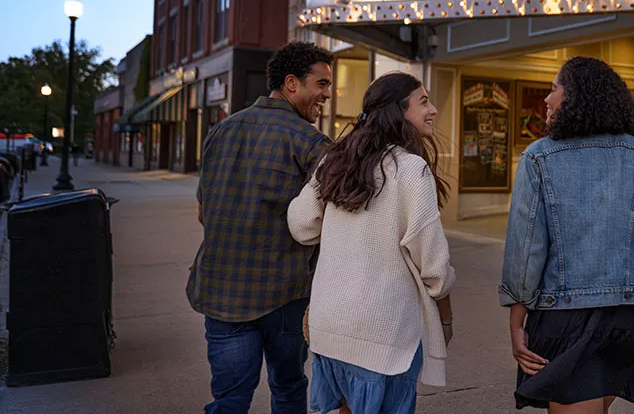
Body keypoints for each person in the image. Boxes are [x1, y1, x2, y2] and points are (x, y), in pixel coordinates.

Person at [499, 57, 634, 414]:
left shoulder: (538, 158)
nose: (546, 99)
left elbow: (526, 250)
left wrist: (516, 322)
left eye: (554, 89)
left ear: (576, 97)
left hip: (566, 319)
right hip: (628, 321)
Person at [288, 72, 455, 414]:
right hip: (382, 336)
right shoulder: (411, 169)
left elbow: (302, 225)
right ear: (398, 111)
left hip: (329, 327)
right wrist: (446, 320)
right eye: (423, 101)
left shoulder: (335, 159)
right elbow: (434, 268)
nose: (433, 110)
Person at [186, 41, 335, 414]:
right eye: (321, 84)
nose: (327, 94)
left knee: (229, 400)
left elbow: (204, 210)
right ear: (291, 83)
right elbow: (328, 222)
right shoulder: (312, 142)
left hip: (220, 289)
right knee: (287, 388)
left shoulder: (221, 132)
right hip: (285, 293)